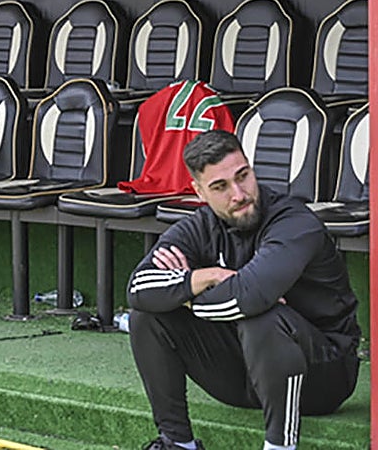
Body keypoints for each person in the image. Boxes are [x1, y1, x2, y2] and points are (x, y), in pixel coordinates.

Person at [127, 129, 360, 450]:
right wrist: (209, 276)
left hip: (322, 375)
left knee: (262, 316)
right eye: (220, 187)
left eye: (243, 176)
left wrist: (185, 297)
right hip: (242, 373)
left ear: (251, 168)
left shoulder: (293, 221)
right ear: (199, 192)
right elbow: (138, 289)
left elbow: (252, 297)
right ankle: (177, 444)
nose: (238, 194)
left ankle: (280, 446)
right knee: (146, 317)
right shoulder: (199, 227)